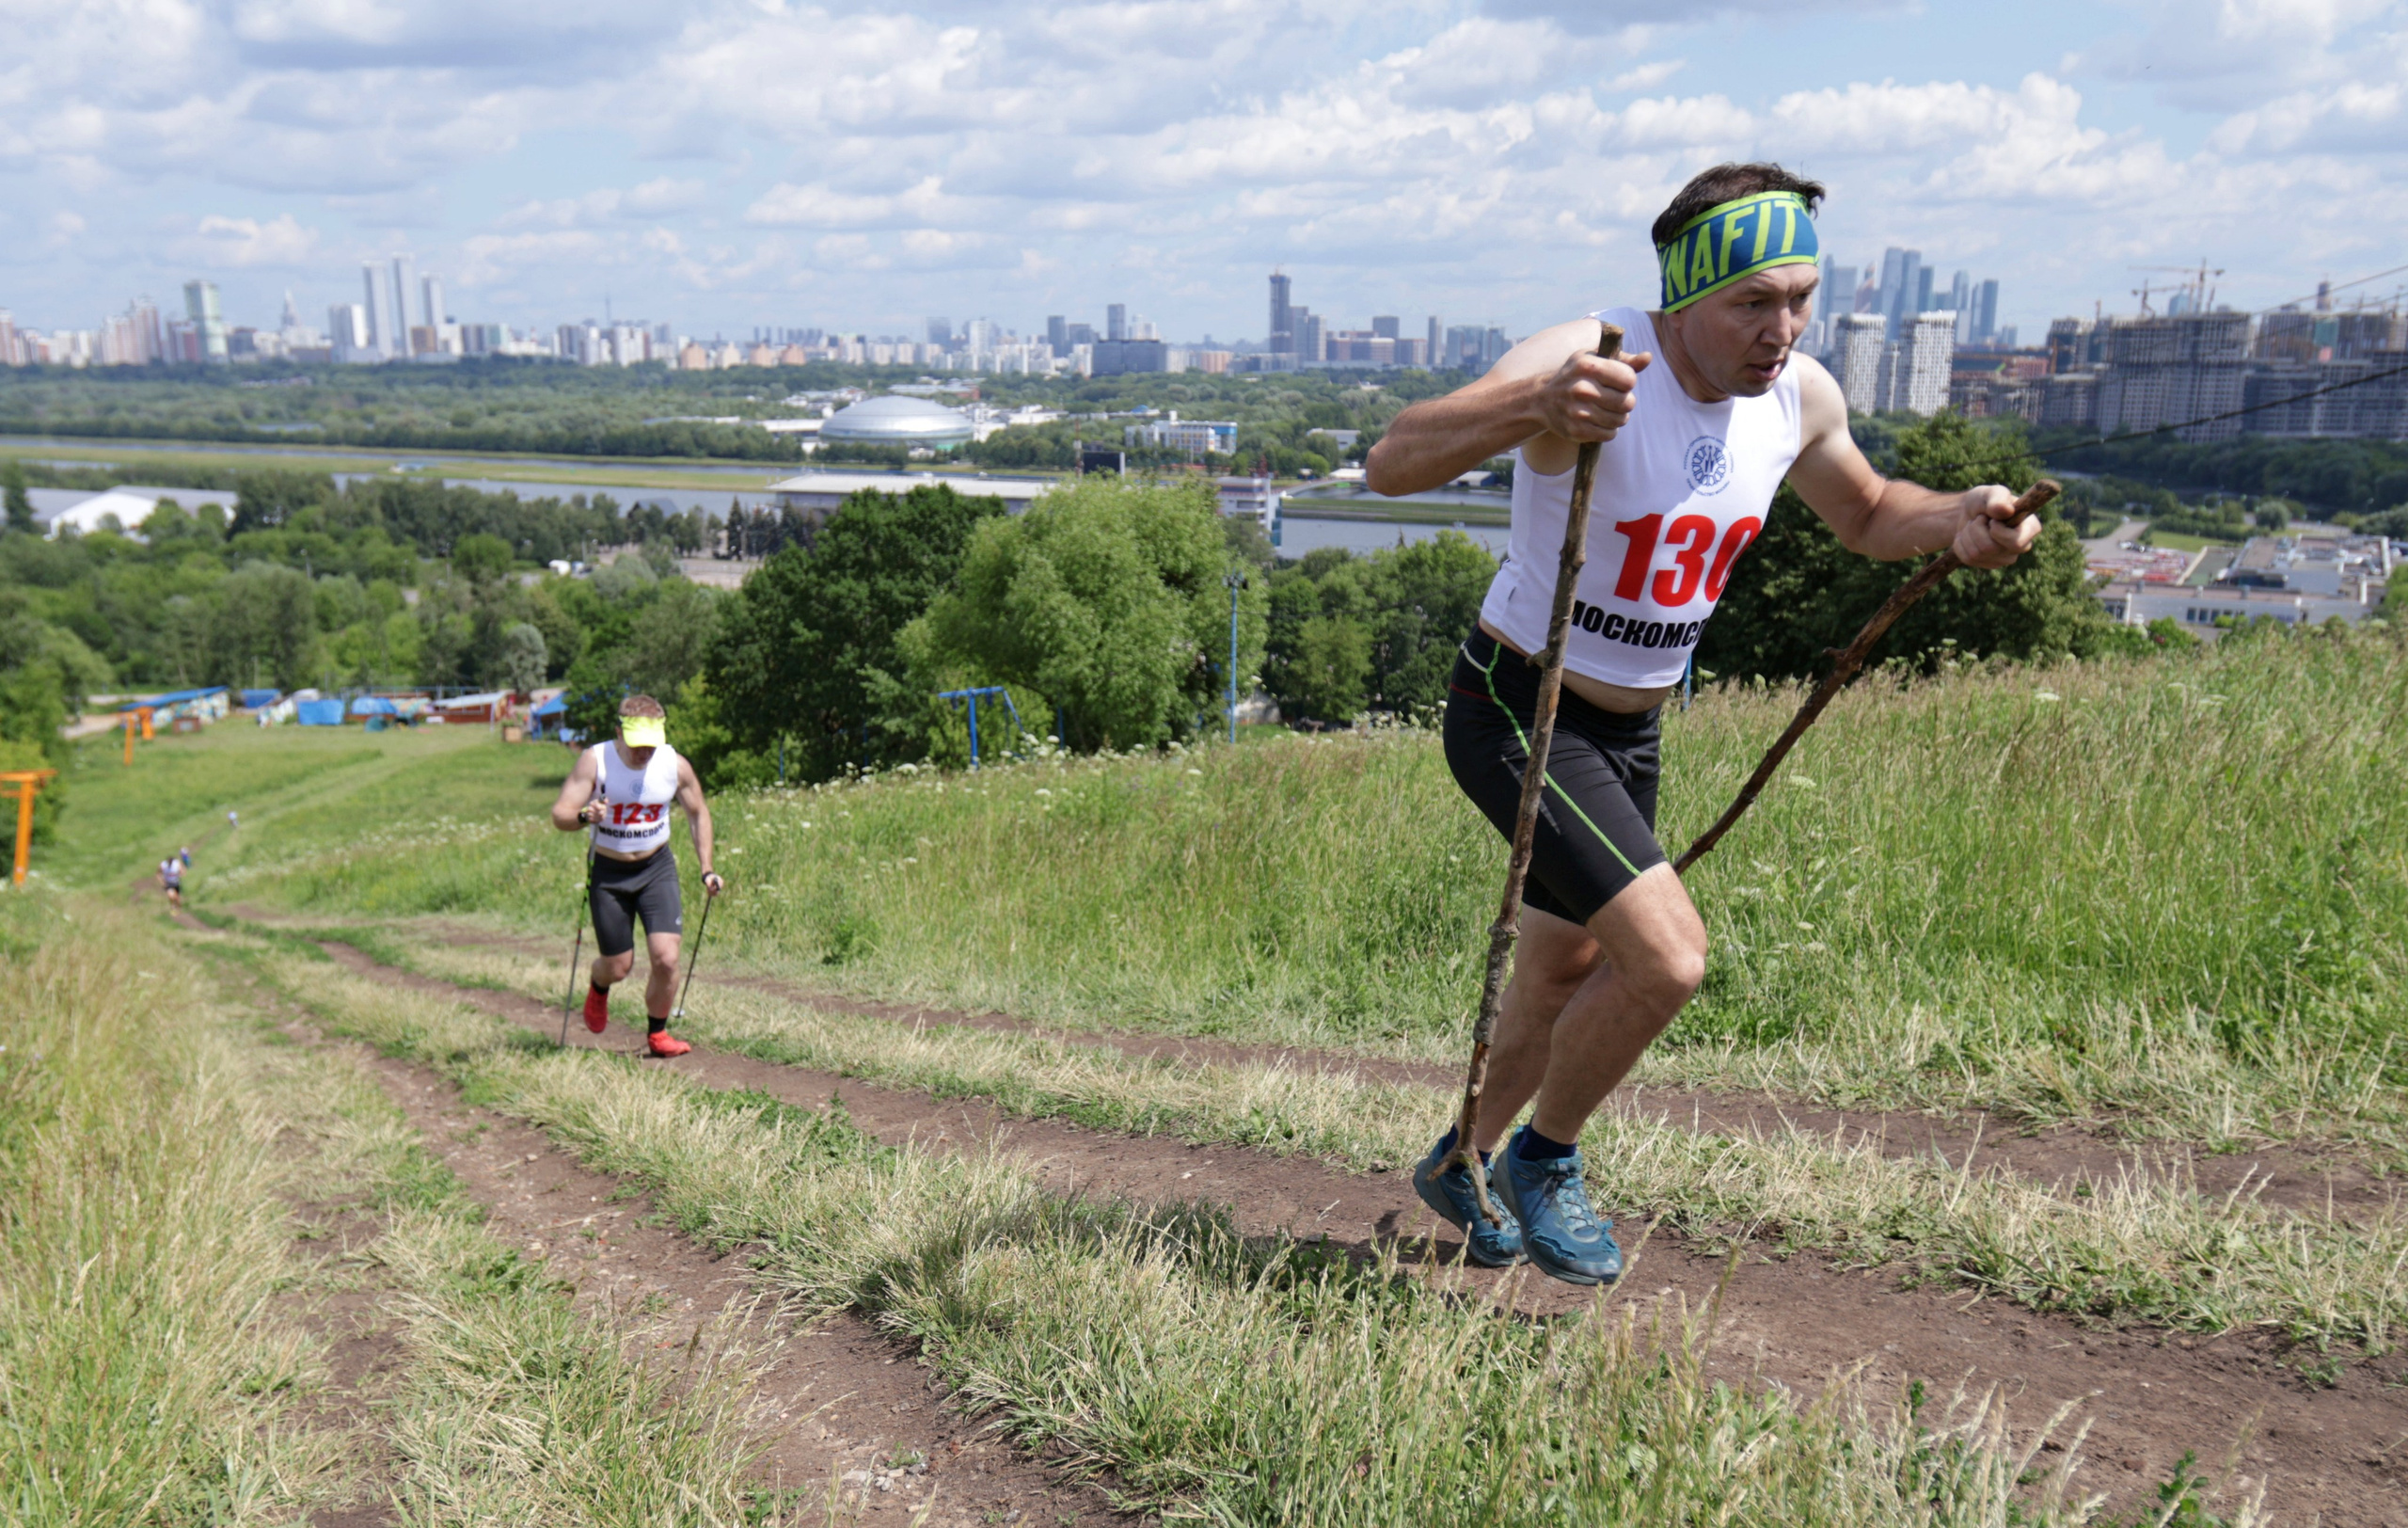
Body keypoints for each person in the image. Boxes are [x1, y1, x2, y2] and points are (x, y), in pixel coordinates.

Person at [1365, 162, 2042, 1285]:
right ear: (1681, 297)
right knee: (1669, 961)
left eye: (1801, 298)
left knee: (1562, 972)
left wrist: (1961, 519)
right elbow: (1392, 462)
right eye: (1752, 302)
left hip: (1629, 733)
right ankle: (1543, 1158)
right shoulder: (1592, 354)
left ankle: (1461, 1160)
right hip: (1523, 704)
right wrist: (1538, 406)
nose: (1782, 329)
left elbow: (1870, 512)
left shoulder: (1799, 398)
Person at [547, 694, 725, 1058]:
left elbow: (697, 812)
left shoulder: (674, 765)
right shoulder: (596, 761)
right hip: (609, 874)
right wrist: (584, 816)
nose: (644, 752)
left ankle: (658, 1034)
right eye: (637, 743)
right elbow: (560, 814)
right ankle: (599, 985)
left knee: (666, 958)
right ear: (619, 732)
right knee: (618, 966)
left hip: (656, 868)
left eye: (651, 744)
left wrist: (706, 868)